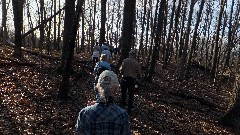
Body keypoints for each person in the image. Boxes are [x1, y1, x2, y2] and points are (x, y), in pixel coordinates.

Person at [76, 70, 131, 135]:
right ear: (116, 90)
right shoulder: (122, 115)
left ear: (97, 87)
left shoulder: (85, 113)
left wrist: (89, 110)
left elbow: (79, 132)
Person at [119, 49, 141, 114]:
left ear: (129, 54)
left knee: (123, 92)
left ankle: (122, 105)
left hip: (125, 79)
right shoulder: (136, 63)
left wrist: (121, 74)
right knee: (131, 94)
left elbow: (121, 70)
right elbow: (139, 73)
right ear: (134, 55)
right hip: (132, 80)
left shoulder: (125, 61)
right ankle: (129, 108)